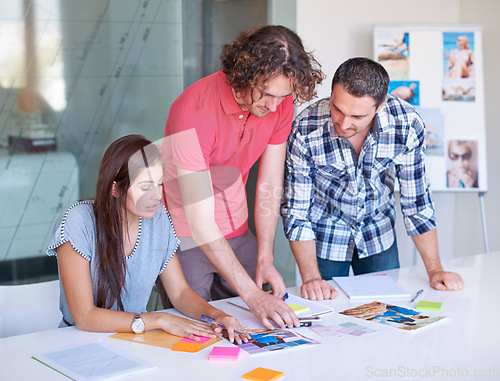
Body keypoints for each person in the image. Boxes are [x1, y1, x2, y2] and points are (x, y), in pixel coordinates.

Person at [160, 25, 324, 329]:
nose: (274, 106)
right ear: (244, 75)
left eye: (283, 96)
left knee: (253, 330)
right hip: (184, 236)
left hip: (238, 229)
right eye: (266, 94)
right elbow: (200, 221)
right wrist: (253, 295)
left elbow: (269, 185)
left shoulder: (280, 102)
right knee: (198, 334)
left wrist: (265, 255)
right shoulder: (193, 112)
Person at [281, 57, 464, 301]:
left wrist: (435, 269)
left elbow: (416, 202)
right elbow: (296, 211)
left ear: (380, 106)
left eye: (357, 117)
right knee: (327, 318)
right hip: (325, 234)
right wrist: (311, 277)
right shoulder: (305, 129)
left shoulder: (406, 125)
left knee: (386, 313)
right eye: (338, 109)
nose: (344, 124)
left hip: (379, 232)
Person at [47, 135, 248, 343]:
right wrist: (159, 319)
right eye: (145, 187)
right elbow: (85, 317)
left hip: (136, 341)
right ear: (115, 188)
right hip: (78, 342)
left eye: (160, 184)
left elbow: (179, 293)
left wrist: (218, 315)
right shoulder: (78, 221)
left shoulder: (158, 219)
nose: (157, 196)